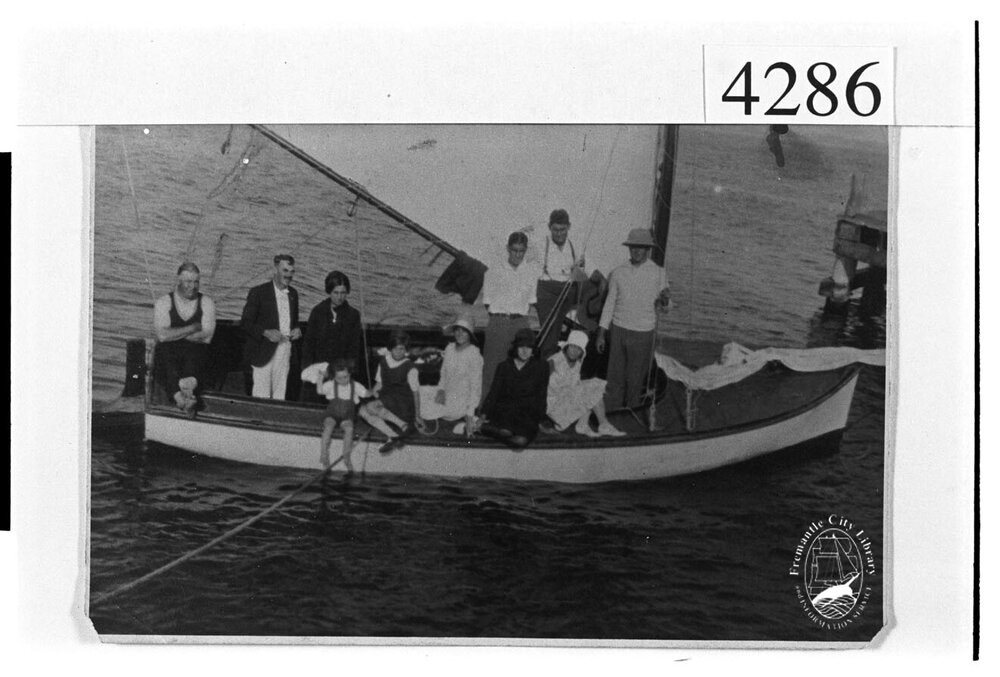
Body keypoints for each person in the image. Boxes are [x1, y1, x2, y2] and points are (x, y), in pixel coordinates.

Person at [596, 228, 672, 410]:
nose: (636, 251)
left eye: (641, 247)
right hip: (619, 331)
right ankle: (612, 411)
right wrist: (601, 333)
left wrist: (665, 300)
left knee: (635, 379)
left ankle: (631, 413)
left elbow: (667, 308)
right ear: (628, 249)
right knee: (615, 377)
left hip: (643, 334)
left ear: (648, 249)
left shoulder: (659, 272)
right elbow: (609, 305)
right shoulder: (618, 272)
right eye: (633, 247)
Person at [153, 262, 216, 415]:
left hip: (196, 353)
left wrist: (175, 334)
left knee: (196, 351)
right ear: (178, 281)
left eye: (196, 282)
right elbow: (161, 335)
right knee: (164, 351)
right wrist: (191, 328)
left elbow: (207, 336)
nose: (193, 286)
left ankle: (182, 393)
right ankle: (182, 395)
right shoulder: (164, 302)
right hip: (169, 354)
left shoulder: (207, 303)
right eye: (188, 281)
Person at [482, 231, 539, 398]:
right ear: (508, 249)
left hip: (520, 323)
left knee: (520, 368)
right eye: (514, 250)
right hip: (498, 321)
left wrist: (518, 320)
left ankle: (511, 409)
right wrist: (501, 318)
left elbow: (530, 302)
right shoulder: (493, 270)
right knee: (492, 367)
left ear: (526, 250)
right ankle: (484, 409)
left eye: (521, 251)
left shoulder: (531, 272)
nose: (518, 255)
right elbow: (487, 302)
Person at [241, 254, 301, 400]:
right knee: (261, 395)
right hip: (263, 351)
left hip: (285, 350)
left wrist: (297, 330)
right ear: (275, 270)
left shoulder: (293, 294)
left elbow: (294, 322)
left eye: (291, 272)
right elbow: (246, 323)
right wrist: (266, 333)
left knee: (280, 394)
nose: (289, 275)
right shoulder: (258, 292)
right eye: (285, 271)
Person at [480, 328, 550, 448]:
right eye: (521, 346)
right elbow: (494, 392)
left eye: (528, 347)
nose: (524, 351)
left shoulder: (542, 367)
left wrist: (540, 419)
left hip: (528, 414)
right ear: (515, 348)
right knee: (505, 432)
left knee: (520, 441)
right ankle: (488, 429)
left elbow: (542, 395)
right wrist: (483, 415)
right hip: (506, 411)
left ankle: (486, 431)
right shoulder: (504, 366)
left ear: (533, 349)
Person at [547, 330, 625, 437]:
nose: (575, 351)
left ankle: (585, 424)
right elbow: (538, 385)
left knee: (593, 386)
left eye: (579, 349)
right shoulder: (553, 361)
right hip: (554, 407)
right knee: (592, 387)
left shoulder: (577, 362)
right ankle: (602, 425)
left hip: (567, 400)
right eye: (573, 346)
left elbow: (575, 385)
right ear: (567, 346)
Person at [300, 270, 363, 402]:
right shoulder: (318, 311)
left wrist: (344, 371)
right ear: (329, 291)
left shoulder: (353, 315)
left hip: (340, 373)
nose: (340, 297)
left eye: (343, 293)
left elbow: (354, 348)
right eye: (336, 292)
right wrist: (309, 370)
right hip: (317, 372)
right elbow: (308, 344)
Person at [533, 209, 588, 358]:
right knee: (549, 330)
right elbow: (531, 274)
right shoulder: (540, 246)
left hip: (568, 290)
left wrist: (580, 270)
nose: (559, 233)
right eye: (555, 229)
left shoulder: (575, 245)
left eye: (562, 229)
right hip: (547, 291)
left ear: (568, 227)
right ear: (549, 227)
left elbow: (584, 273)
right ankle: (546, 361)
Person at [418, 312, 483, 436]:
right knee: (419, 391)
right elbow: (443, 373)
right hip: (446, 392)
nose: (459, 334)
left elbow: (476, 388)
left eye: (464, 331)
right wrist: (441, 390)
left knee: (425, 409)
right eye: (457, 330)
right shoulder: (450, 348)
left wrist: (469, 414)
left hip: (460, 401)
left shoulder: (474, 355)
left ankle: (466, 421)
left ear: (470, 334)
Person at [370, 330, 426, 435]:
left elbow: (416, 393)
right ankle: (394, 434)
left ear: (406, 350)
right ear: (390, 348)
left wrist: (417, 415)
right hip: (387, 399)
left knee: (370, 408)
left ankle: (402, 425)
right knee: (362, 411)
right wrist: (374, 392)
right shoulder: (383, 361)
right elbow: (379, 384)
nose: (398, 352)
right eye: (395, 348)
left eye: (401, 349)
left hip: (402, 404)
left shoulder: (410, 367)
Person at [317, 359, 366, 471]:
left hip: (347, 416)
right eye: (339, 378)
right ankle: (324, 454)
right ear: (333, 377)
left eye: (346, 377)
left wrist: (375, 391)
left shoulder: (355, 386)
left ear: (350, 374)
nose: (343, 380)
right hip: (332, 414)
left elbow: (366, 393)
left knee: (349, 429)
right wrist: (320, 378)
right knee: (328, 426)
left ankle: (346, 455)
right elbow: (320, 391)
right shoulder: (330, 385)